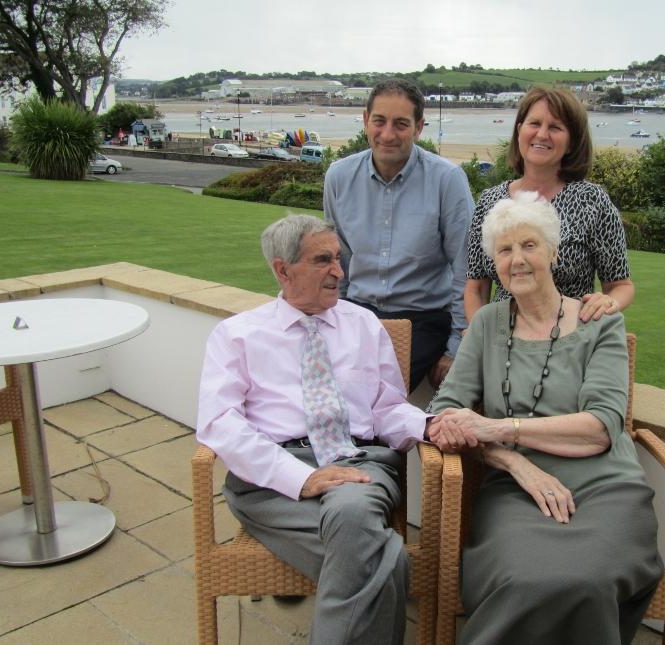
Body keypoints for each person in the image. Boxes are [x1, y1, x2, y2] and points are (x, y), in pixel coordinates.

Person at [428, 192, 664, 645]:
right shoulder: (487, 324)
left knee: (588, 582)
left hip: (606, 486)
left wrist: (501, 428)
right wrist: (515, 462)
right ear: (494, 261)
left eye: (529, 246)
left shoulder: (600, 323)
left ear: (554, 253)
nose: (517, 260)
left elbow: (600, 427)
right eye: (504, 250)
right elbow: (444, 413)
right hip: (515, 491)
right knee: (524, 581)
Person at [196, 215, 434, 645]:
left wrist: (431, 424)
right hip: (271, 478)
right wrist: (300, 478)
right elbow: (218, 423)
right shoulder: (237, 335)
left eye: (339, 259)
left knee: (352, 513)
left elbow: (388, 409)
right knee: (385, 557)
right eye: (323, 260)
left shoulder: (363, 324)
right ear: (282, 270)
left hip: (357, 463)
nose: (339, 272)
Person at [324, 79, 475, 391]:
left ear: (419, 127)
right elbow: (338, 261)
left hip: (421, 320)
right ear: (366, 120)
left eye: (401, 124)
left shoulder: (447, 180)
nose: (388, 134)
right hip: (358, 313)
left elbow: (466, 269)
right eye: (379, 121)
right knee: (312, 381)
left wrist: (456, 348)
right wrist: (330, 323)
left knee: (373, 392)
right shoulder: (338, 177)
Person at [463, 86, 634, 326]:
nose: (542, 135)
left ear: (572, 142)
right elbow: (476, 286)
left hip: (568, 338)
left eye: (555, 127)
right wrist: (479, 336)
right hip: (501, 338)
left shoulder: (593, 201)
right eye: (534, 123)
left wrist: (607, 302)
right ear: (520, 130)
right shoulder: (490, 201)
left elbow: (620, 285)